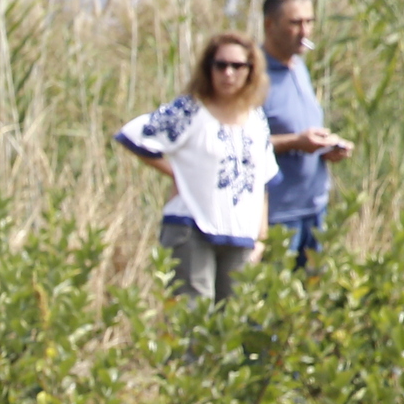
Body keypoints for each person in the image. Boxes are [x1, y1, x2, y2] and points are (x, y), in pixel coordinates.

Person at [115, 34, 281, 303]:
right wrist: (176, 172)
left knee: (231, 326)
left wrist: (261, 238)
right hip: (192, 228)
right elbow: (134, 134)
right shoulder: (191, 110)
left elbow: (263, 180)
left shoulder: (256, 120)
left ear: (251, 70)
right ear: (208, 68)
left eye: (237, 66)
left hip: (239, 235)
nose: (228, 73)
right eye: (220, 65)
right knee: (193, 322)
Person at [260, 0, 352, 269]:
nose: (305, 31)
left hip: (315, 209)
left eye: (309, 22)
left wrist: (326, 147)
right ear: (270, 25)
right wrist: (296, 142)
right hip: (278, 215)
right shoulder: (252, 75)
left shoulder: (298, 66)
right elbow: (242, 143)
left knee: (313, 301)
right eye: (295, 23)